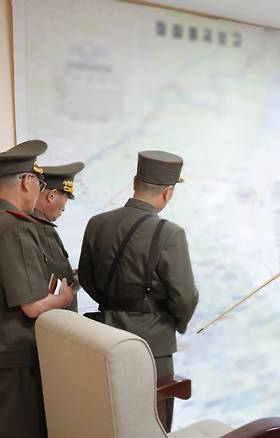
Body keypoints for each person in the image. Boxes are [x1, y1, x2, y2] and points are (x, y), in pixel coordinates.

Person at [0, 140, 75, 438]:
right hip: (11, 362)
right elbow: (33, 305)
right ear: (26, 181)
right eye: (37, 181)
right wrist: (65, 297)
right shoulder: (15, 227)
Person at [78, 150, 198, 431]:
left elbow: (86, 277)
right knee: (152, 422)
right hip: (152, 343)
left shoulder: (97, 223)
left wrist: (113, 306)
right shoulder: (170, 233)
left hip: (105, 335)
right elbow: (185, 296)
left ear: (134, 182)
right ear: (168, 192)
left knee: (111, 418)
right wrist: (174, 323)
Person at [32, 162, 85, 312]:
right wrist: (74, 287)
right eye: (65, 199)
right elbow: (49, 293)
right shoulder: (42, 229)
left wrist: (69, 276)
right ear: (52, 195)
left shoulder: (30, 225)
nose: (64, 208)